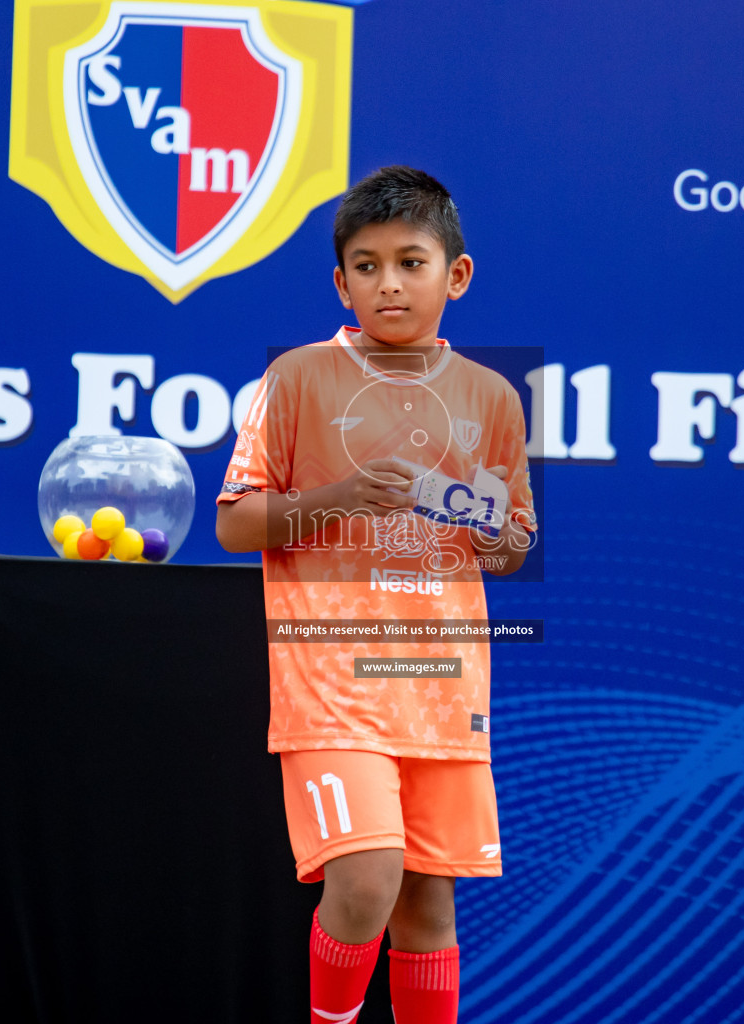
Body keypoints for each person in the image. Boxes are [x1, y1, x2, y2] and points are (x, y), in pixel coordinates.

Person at [216, 165, 536, 1024]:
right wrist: (342, 497)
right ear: (341, 282)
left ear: (455, 275)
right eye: (366, 265)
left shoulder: (494, 396)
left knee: (427, 909)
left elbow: (512, 551)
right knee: (365, 882)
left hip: (442, 693)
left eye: (410, 261)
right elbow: (237, 525)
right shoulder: (299, 380)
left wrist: (482, 514)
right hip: (333, 689)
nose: (387, 283)